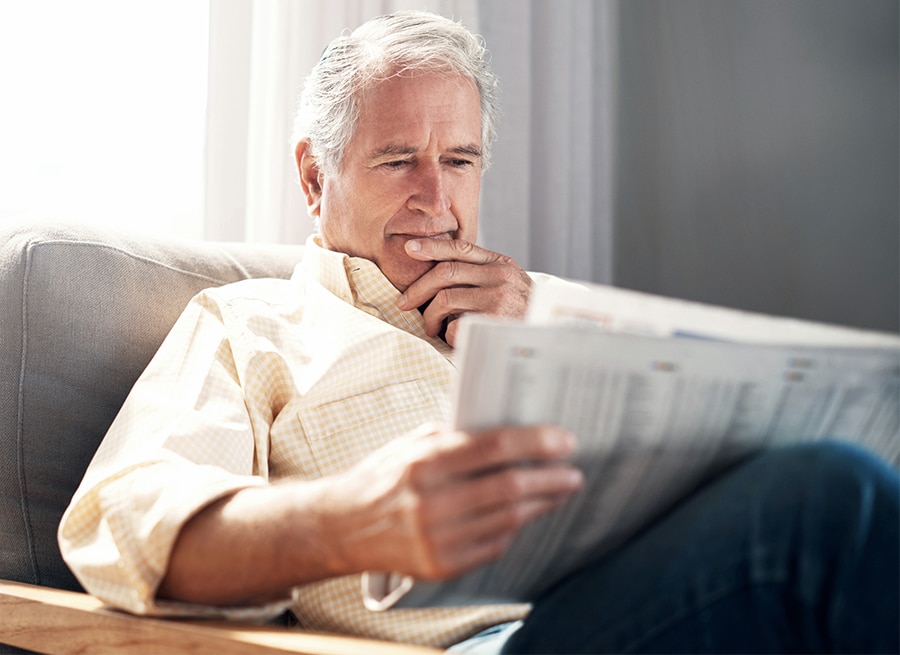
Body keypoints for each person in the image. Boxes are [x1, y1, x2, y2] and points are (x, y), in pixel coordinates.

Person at [59, 10, 899, 654]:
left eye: (459, 160)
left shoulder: (550, 305)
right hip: (488, 642)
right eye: (398, 160)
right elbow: (121, 523)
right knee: (835, 497)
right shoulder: (254, 325)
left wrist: (545, 325)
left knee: (840, 484)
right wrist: (356, 520)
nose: (436, 197)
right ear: (316, 177)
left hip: (658, 598)